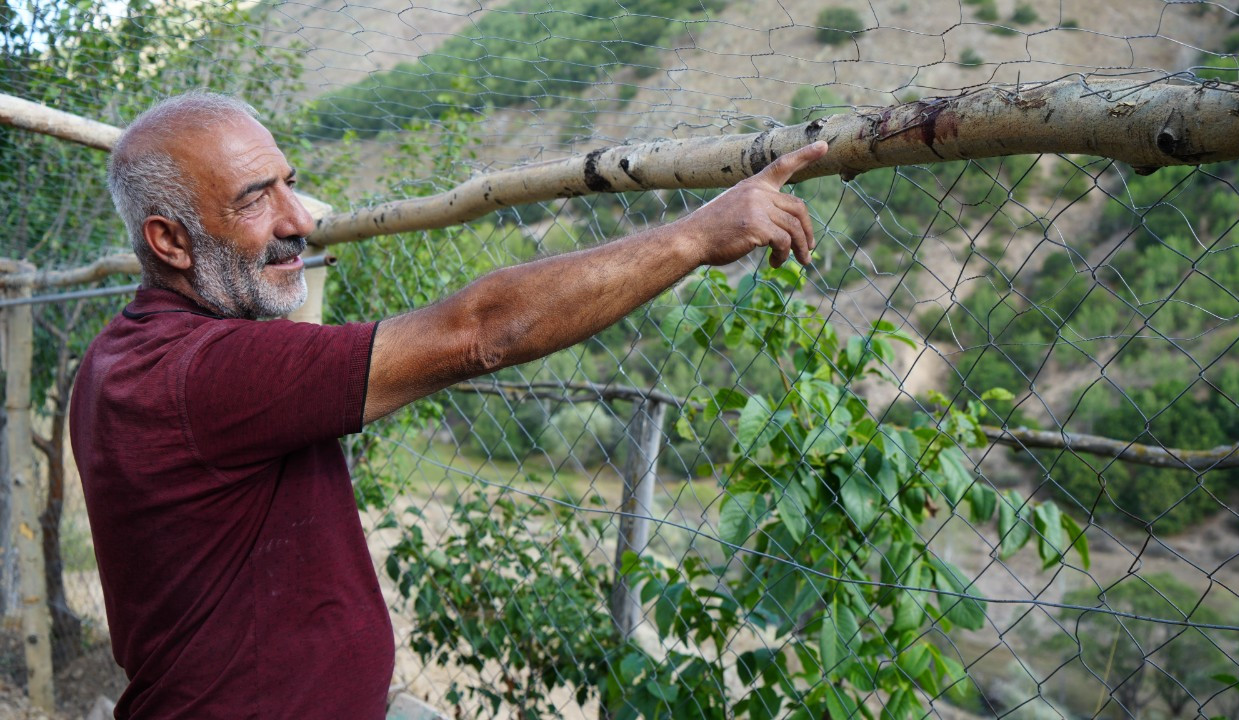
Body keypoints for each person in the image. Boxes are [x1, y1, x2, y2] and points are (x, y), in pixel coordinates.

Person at [69, 91, 827, 719]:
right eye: (255, 199)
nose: (298, 219)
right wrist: (697, 234)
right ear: (168, 241)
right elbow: (482, 332)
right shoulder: (204, 374)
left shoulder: (117, 356)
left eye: (288, 183)